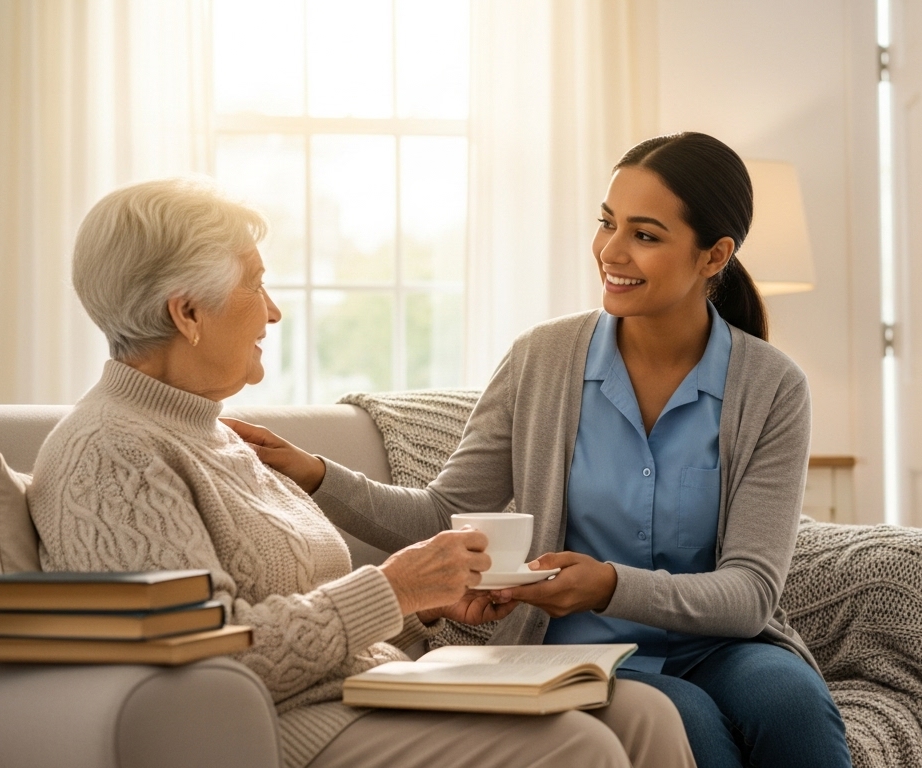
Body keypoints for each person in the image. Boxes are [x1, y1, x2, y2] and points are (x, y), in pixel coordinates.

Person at [229, 133, 853, 768]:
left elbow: (749, 594)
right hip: (577, 648)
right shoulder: (542, 360)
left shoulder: (771, 387)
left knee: (793, 702)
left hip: (718, 644)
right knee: (687, 720)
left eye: (645, 234)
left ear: (713, 255)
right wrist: (312, 473)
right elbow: (443, 514)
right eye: (607, 223)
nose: (611, 251)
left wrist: (607, 584)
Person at [27, 178, 696, 768]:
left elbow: (310, 608)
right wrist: (393, 590)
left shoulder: (215, 435)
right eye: (255, 284)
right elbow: (207, 666)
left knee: (641, 713)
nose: (274, 311)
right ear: (188, 312)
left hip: (373, 691)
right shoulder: (112, 454)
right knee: (580, 749)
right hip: (292, 728)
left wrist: (425, 605)